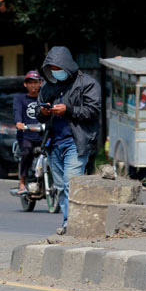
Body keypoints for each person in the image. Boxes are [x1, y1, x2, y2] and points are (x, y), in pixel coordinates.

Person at [37, 46, 101, 235]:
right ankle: (68, 222)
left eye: (58, 68)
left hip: (76, 141)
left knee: (71, 183)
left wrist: (68, 110)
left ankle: (75, 223)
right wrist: (42, 112)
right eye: (51, 69)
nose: (55, 72)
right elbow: (38, 112)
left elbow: (93, 111)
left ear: (67, 66)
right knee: (60, 187)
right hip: (53, 142)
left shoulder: (87, 84)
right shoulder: (49, 86)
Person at [13, 70, 43, 193]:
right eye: (30, 82)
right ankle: (22, 182)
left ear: (40, 83)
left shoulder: (44, 98)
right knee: (26, 152)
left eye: (35, 82)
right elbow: (17, 112)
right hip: (26, 136)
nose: (33, 85)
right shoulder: (20, 99)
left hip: (43, 135)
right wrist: (19, 123)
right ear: (25, 84)